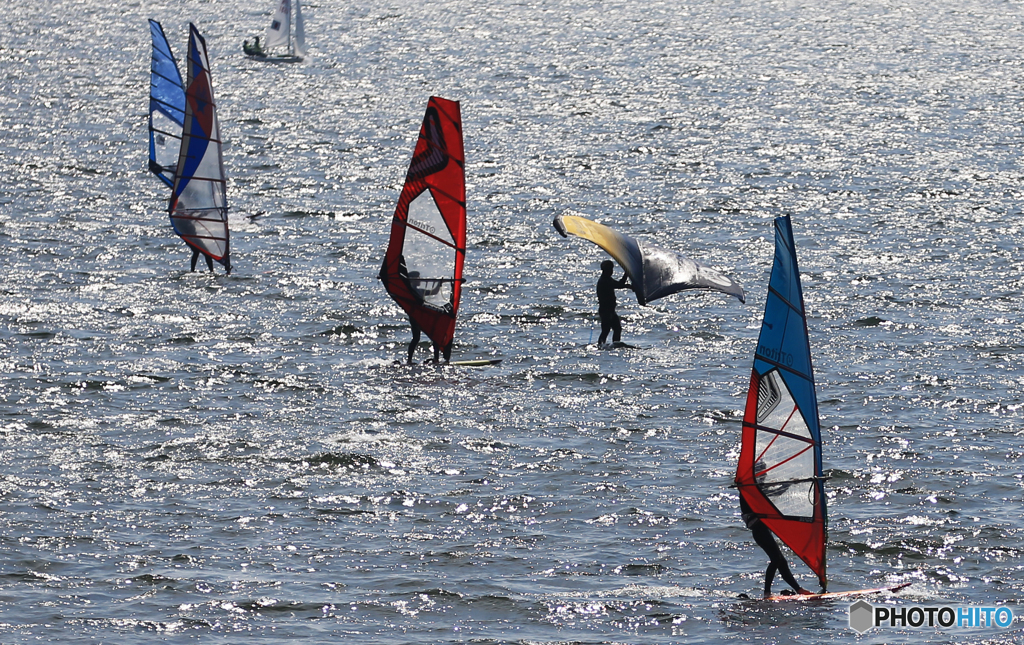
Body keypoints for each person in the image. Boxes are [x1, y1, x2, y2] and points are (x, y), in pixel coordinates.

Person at [740, 494, 812, 598]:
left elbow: (770, 492)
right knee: (776, 559)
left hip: (764, 530)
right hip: (759, 531)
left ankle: (798, 589)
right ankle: (767, 593)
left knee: (781, 561)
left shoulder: (753, 491)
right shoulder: (746, 493)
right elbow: (760, 497)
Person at [596, 259, 631, 345]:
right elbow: (620, 285)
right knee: (606, 330)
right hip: (605, 311)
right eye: (610, 270)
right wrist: (628, 283)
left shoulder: (608, 279)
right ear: (605, 270)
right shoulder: (604, 281)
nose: (611, 271)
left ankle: (615, 345)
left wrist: (627, 274)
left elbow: (620, 284)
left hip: (611, 310)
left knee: (617, 329)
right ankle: (600, 346)